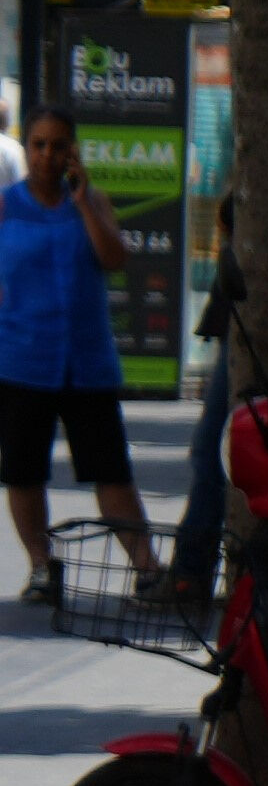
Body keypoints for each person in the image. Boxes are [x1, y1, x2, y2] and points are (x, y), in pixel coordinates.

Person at [0, 111, 159, 602]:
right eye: (39, 145)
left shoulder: (92, 201)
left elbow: (113, 259)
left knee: (111, 470)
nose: (47, 155)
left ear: (74, 151)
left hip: (86, 362)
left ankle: (148, 568)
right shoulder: (6, 206)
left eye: (58, 146)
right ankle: (43, 565)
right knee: (24, 472)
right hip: (23, 360)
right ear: (27, 149)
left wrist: (84, 202)